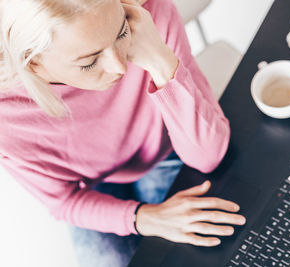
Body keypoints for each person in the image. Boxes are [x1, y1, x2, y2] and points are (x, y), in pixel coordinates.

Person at [0, 0, 246, 266]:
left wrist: (158, 57)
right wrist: (145, 218)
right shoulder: (7, 114)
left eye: (121, 34)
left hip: (163, 150)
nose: (120, 67)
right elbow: (64, 201)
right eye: (90, 62)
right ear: (33, 63)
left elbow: (208, 156)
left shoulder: (148, 13)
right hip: (90, 186)